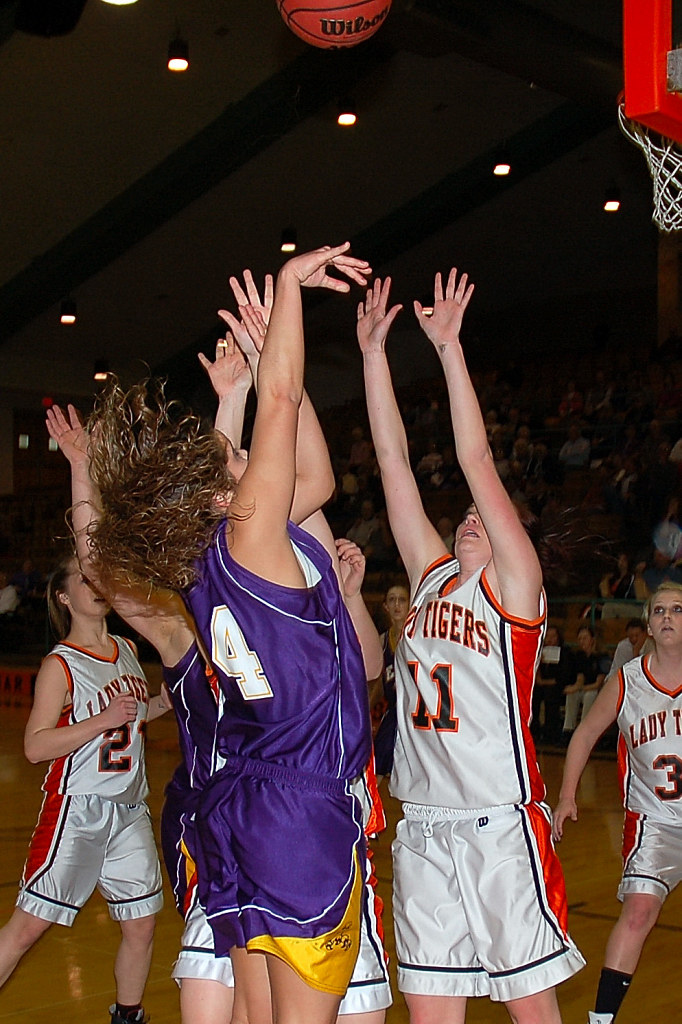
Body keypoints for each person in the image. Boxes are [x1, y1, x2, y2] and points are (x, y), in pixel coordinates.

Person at [82, 243, 375, 1024]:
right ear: (227, 495)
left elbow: (316, 475)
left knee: (253, 1012)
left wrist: (250, 360)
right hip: (301, 805)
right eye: (237, 463)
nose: (252, 459)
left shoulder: (199, 560)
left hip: (238, 802)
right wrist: (285, 296)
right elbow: (279, 404)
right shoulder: (251, 537)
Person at [356, 270, 584, 1023]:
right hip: (420, 823)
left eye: (484, 518)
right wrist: (372, 356)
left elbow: (477, 462)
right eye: (464, 519)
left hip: (496, 821)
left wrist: (451, 352)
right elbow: (393, 465)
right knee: (429, 1013)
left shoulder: (514, 586)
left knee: (532, 1012)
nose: (468, 520)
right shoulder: (429, 580)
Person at [0, 555, 170, 1024]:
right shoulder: (61, 663)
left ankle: (127, 1015)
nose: (96, 584)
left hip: (129, 808)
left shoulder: (128, 648)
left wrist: (163, 702)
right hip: (77, 807)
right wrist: (101, 719)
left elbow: (131, 720)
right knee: (29, 927)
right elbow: (35, 747)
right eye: (83, 578)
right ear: (63, 596)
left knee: (141, 924)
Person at [552, 581, 682, 1024]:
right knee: (639, 911)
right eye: (659, 610)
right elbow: (585, 734)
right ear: (648, 623)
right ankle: (601, 1019)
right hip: (656, 822)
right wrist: (568, 794)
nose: (667, 616)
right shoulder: (627, 681)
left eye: (677, 609)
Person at [373, 581, 410, 780]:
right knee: (378, 759)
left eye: (402, 600)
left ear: (410, 604)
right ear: (386, 606)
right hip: (394, 709)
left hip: (416, 712)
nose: (397, 605)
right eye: (392, 600)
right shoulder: (382, 641)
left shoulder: (417, 637)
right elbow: (378, 684)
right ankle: (368, 809)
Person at [532, 625, 576, 746]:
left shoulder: (565, 652)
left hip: (558, 685)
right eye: (548, 636)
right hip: (542, 684)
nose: (550, 639)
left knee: (550, 694)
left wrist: (545, 682)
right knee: (534, 694)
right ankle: (534, 731)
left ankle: (550, 734)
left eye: (553, 636)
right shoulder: (539, 651)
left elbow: (564, 676)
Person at [561, 625, 609, 738]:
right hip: (585, 688)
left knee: (589, 696)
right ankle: (568, 729)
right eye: (580, 638)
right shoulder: (579, 656)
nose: (581, 641)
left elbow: (598, 684)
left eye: (584, 638)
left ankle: (584, 730)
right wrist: (574, 688)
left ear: (592, 639)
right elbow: (580, 678)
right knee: (572, 695)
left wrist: (579, 688)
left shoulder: (602, 656)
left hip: (598, 690)